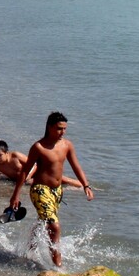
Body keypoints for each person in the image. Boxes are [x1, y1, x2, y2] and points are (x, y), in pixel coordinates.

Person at [22, 112, 94, 267]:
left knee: (44, 221)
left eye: (65, 129)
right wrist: (14, 197)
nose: (63, 132)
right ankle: (58, 265)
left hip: (57, 191)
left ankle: (29, 250)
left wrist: (86, 185)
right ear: (49, 127)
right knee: (54, 225)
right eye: (59, 129)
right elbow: (24, 171)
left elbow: (76, 167)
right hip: (40, 190)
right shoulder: (38, 147)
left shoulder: (67, 145)